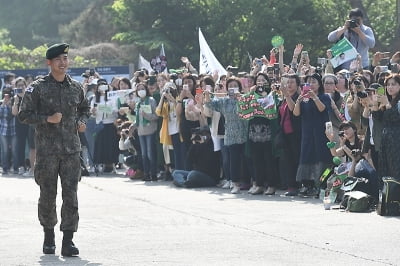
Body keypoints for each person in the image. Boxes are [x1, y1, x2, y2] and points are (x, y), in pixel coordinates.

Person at [18, 43, 90, 256]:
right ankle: (49, 237)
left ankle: (68, 240)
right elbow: (24, 114)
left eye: (65, 58)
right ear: (49, 62)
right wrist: (47, 119)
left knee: (71, 196)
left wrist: (82, 120)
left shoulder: (76, 87)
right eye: (58, 59)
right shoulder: (38, 87)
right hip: (47, 151)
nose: (63, 62)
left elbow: (85, 109)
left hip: (71, 151)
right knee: (48, 195)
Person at [293, 73, 332, 196]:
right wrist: (298, 101)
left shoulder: (324, 96)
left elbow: (322, 109)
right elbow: (296, 113)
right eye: (308, 82)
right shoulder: (303, 98)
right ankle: (307, 184)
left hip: (321, 132)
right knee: (307, 157)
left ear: (319, 84)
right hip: (307, 132)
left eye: (314, 82)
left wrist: (314, 97)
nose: (311, 84)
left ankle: (321, 184)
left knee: (322, 158)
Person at [371, 73, 400, 180]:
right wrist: (375, 103)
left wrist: (386, 103)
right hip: (386, 141)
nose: (390, 87)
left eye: (394, 84)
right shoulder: (387, 100)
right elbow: (377, 117)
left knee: (396, 170)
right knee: (386, 171)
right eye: (388, 85)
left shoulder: (398, 102)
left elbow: (394, 116)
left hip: (397, 140)